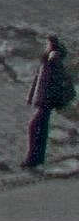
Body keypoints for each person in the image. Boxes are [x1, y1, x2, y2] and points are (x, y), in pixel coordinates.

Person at [35, 33, 73, 171]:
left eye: (48, 44)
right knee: (38, 126)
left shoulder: (53, 61)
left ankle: (36, 159)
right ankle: (35, 158)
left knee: (38, 127)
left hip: (47, 100)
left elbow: (51, 81)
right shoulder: (50, 59)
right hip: (45, 99)